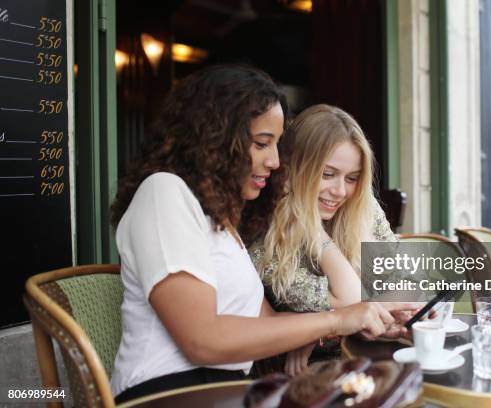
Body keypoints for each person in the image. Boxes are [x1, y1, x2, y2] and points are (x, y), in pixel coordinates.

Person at [109, 66, 412, 403]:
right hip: (168, 392)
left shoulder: (221, 224)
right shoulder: (164, 192)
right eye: (262, 143)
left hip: (228, 390)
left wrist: (348, 324)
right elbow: (202, 340)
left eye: (277, 145)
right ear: (216, 138)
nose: (275, 161)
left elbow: (266, 320)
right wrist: (336, 321)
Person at [249, 104, 402, 376]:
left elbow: (404, 286)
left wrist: (318, 332)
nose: (340, 191)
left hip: (369, 356)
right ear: (295, 168)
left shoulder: (361, 206)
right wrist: (317, 233)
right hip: (307, 376)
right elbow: (354, 298)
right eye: (327, 174)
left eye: (352, 178)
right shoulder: (266, 232)